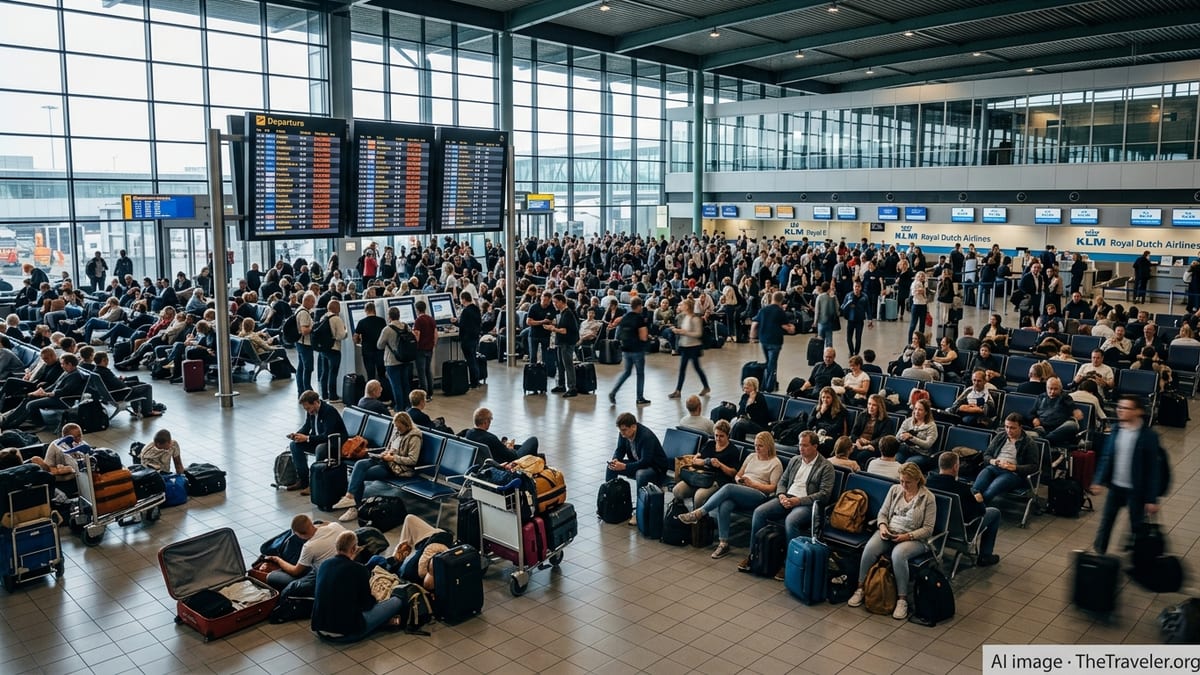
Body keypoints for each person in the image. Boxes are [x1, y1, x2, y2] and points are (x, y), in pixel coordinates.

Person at [737, 430, 834, 578]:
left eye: (805, 446)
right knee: (759, 512)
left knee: (791, 521)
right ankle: (754, 555)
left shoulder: (826, 467)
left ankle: (788, 564)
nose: (801, 448)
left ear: (815, 446)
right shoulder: (795, 460)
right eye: (800, 445)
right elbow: (782, 482)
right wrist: (781, 495)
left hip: (805, 504)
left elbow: (824, 495)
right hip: (786, 498)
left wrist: (799, 501)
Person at [847, 462, 937, 620]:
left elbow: (928, 529)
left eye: (907, 482)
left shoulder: (928, 498)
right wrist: (882, 527)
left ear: (917, 480)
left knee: (898, 555)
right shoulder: (895, 490)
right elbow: (883, 513)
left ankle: (901, 599)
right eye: (901, 481)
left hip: (914, 537)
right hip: (890, 531)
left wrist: (906, 537)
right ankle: (860, 587)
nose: (904, 485)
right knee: (870, 549)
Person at [676, 430, 783, 560]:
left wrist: (753, 484)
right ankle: (723, 543)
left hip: (758, 494)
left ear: (768, 446)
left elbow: (773, 487)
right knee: (725, 504)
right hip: (741, 489)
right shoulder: (751, 457)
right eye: (755, 445)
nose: (757, 448)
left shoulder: (775, 463)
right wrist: (739, 480)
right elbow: (738, 474)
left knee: (728, 488)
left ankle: (699, 513)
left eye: (760, 446)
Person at [1091, 394, 1164, 554]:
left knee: (1137, 525)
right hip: (1116, 487)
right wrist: (1098, 480)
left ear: (1137, 411)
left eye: (1125, 408)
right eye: (1119, 407)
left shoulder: (1149, 436)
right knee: (1106, 523)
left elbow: (1153, 469)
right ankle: (1098, 556)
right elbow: (1106, 457)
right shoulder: (1116, 430)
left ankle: (1139, 559)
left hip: (1136, 490)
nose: (1120, 411)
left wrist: (1152, 499)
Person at [311, 530, 404, 642]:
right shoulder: (359, 569)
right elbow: (367, 605)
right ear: (354, 548)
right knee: (396, 601)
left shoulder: (324, 565)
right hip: (347, 632)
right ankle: (384, 622)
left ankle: (384, 622)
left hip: (320, 628)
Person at [332, 411, 422, 521]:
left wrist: (393, 458)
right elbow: (389, 448)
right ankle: (350, 497)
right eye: (396, 427)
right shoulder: (397, 433)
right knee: (360, 464)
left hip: (396, 468)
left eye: (399, 428)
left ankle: (354, 507)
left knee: (361, 475)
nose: (397, 430)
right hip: (385, 461)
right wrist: (385, 454)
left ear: (407, 425)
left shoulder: (414, 437)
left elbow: (412, 460)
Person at [927, 451, 1002, 567]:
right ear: (956, 467)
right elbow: (979, 514)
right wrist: (980, 501)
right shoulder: (963, 489)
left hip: (933, 527)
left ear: (939, 465)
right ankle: (985, 556)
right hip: (957, 532)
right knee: (995, 513)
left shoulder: (928, 483)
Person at [606, 413, 667, 523]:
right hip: (637, 462)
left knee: (640, 474)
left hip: (655, 467)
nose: (622, 434)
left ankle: (639, 511)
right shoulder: (624, 434)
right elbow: (620, 449)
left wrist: (625, 466)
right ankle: (610, 502)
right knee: (611, 467)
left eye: (624, 430)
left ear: (633, 427)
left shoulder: (646, 437)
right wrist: (615, 460)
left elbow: (645, 461)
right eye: (620, 431)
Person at [1, 353, 86, 431]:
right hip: (54, 395)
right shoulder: (67, 372)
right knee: (29, 397)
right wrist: (42, 392)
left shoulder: (76, 376)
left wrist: (46, 394)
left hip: (62, 399)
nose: (61, 366)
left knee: (31, 404)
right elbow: (55, 385)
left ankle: (36, 424)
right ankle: (9, 418)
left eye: (63, 364)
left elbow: (65, 391)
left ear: (70, 364)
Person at [285, 390, 349, 494]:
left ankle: (314, 483)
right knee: (295, 445)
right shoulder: (311, 411)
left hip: (333, 443)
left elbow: (328, 435)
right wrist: (297, 435)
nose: (308, 411)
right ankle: (303, 480)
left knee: (320, 449)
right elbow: (307, 426)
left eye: (308, 408)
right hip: (318, 441)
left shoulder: (329, 411)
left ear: (315, 402)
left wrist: (306, 438)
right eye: (305, 409)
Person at [262, 514, 346, 590]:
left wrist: (277, 559)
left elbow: (295, 571)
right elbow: (326, 523)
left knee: (271, 577)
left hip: (324, 579)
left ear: (299, 534)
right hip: (344, 568)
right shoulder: (336, 526)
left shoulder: (310, 546)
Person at [972, 413, 1039, 505]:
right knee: (975, 490)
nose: (1008, 430)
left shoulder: (1029, 443)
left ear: (1020, 427)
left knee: (990, 491)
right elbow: (987, 454)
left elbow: (1033, 467)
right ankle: (973, 509)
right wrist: (993, 461)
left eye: (1012, 428)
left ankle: (976, 512)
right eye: (1006, 427)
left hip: (1012, 474)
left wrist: (1015, 467)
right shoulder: (1001, 436)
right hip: (994, 467)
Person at [672, 418, 738, 509]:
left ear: (728, 436)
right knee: (677, 490)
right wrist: (706, 461)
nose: (718, 439)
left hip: (717, 480)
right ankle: (681, 512)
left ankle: (698, 519)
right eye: (716, 435)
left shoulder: (733, 450)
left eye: (721, 436)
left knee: (699, 497)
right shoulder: (710, 444)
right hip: (701, 476)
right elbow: (696, 459)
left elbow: (733, 473)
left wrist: (720, 465)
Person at [608, 297, 651, 406]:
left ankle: (613, 392)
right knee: (640, 374)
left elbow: (617, 325)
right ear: (639, 306)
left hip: (626, 349)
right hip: (637, 350)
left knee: (627, 372)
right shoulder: (639, 319)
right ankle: (640, 397)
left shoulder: (625, 317)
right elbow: (643, 337)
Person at [751, 291, 796, 393]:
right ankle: (768, 388)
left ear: (772, 298)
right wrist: (792, 328)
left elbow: (754, 324)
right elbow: (786, 327)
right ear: (781, 300)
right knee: (771, 365)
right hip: (775, 341)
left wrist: (752, 336)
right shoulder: (780, 312)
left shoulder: (763, 310)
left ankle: (769, 384)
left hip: (764, 340)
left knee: (769, 363)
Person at [462, 407, 539, 463]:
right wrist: (510, 448)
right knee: (533, 440)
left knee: (520, 446)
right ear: (485, 422)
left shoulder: (469, 433)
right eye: (489, 422)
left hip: (491, 459)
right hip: (511, 459)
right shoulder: (491, 438)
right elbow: (510, 456)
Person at [668, 298, 710, 399]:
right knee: (690, 368)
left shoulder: (695, 318)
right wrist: (678, 330)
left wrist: (682, 332)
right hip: (686, 346)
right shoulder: (685, 317)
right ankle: (680, 390)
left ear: (687, 306)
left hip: (693, 347)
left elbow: (698, 333)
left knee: (693, 368)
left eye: (682, 305)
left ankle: (679, 390)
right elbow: (685, 330)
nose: (680, 306)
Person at [378, 307, 416, 408]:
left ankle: (399, 407)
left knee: (396, 385)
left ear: (389, 317)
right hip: (405, 359)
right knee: (405, 384)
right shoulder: (406, 326)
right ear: (399, 315)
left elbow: (379, 345)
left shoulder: (387, 329)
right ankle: (407, 405)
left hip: (392, 361)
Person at [1028, 377, 1082, 446]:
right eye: (1050, 388)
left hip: (1059, 428)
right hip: (1042, 429)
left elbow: (1072, 406)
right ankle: (1047, 440)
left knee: (1072, 425)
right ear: (1046, 388)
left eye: (1055, 389)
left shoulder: (1065, 397)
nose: (1052, 391)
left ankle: (1045, 440)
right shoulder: (1041, 397)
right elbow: (1031, 413)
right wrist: (1034, 419)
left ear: (1060, 389)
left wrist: (1075, 411)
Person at [315, 299, 349, 402]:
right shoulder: (336, 319)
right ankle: (333, 396)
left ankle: (324, 394)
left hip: (324, 349)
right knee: (333, 373)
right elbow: (340, 335)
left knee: (325, 372)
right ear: (337, 308)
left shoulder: (323, 317)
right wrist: (346, 330)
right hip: (334, 349)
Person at [893, 398, 938, 472]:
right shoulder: (908, 421)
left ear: (926, 412)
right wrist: (903, 436)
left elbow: (927, 445)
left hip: (921, 454)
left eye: (920, 410)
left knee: (907, 466)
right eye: (915, 409)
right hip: (904, 450)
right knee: (896, 462)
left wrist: (911, 438)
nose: (916, 412)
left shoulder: (931, 426)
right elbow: (897, 437)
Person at [353, 302, 387, 397]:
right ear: (374, 310)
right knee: (382, 375)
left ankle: (371, 397)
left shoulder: (361, 322)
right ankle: (384, 396)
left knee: (370, 375)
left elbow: (355, 338)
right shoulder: (381, 321)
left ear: (365, 310)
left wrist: (359, 341)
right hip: (380, 351)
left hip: (367, 352)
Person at [549, 294, 577, 397]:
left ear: (561, 301)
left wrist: (553, 329)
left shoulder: (568, 314)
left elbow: (564, 330)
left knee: (568, 365)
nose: (554, 304)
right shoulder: (561, 313)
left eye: (555, 302)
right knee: (560, 364)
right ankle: (561, 384)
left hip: (567, 342)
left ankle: (572, 387)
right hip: (561, 342)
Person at [730, 376, 771, 442]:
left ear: (754, 387)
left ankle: (734, 443)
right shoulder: (744, 396)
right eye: (744, 388)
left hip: (759, 424)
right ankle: (736, 442)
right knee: (735, 422)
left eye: (747, 388)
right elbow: (740, 411)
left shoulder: (759, 397)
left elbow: (761, 417)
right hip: (746, 421)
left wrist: (750, 405)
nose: (745, 390)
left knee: (740, 424)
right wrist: (740, 417)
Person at [457, 291, 484, 389]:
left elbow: (462, 325)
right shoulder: (476, 309)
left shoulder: (466, 311)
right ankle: (476, 380)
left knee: (470, 360)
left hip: (466, 339)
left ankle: (473, 382)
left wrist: (455, 322)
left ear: (463, 299)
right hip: (475, 337)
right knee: (474, 359)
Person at [293, 291, 317, 397]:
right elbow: (304, 330)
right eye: (312, 302)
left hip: (300, 343)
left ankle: (301, 390)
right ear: (306, 301)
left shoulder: (299, 310)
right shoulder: (304, 313)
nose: (314, 304)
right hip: (305, 344)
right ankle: (307, 390)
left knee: (301, 367)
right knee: (307, 367)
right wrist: (314, 327)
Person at [412, 300, 437, 397]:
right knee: (428, 370)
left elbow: (417, 336)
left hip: (421, 349)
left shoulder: (418, 320)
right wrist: (433, 345)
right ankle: (430, 392)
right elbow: (435, 334)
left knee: (421, 372)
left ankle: (424, 393)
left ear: (417, 310)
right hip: (429, 348)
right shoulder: (431, 319)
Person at [841, 280, 869, 356]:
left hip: (860, 321)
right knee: (848, 338)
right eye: (855, 286)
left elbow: (868, 308)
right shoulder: (848, 295)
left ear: (861, 287)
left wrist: (870, 319)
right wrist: (848, 304)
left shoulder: (864, 297)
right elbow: (842, 306)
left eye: (858, 286)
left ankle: (856, 353)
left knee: (858, 338)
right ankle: (851, 351)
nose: (856, 288)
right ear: (853, 287)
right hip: (851, 319)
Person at [907, 271, 929, 341]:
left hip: (923, 305)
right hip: (916, 305)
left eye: (922, 276)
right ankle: (910, 341)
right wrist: (920, 291)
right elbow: (914, 293)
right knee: (913, 324)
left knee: (922, 324)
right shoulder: (914, 283)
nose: (920, 277)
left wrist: (922, 290)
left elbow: (927, 294)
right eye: (919, 276)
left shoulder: (925, 284)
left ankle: (920, 340)